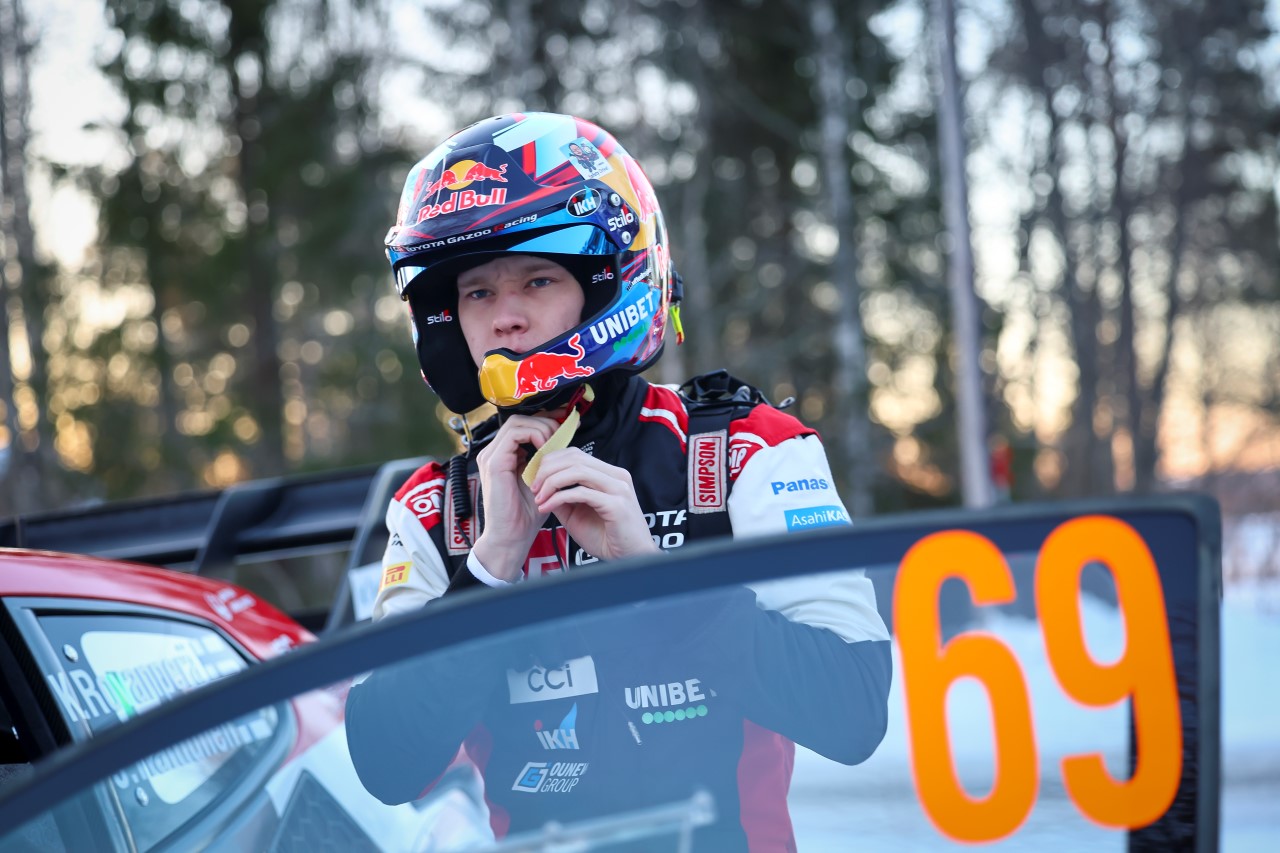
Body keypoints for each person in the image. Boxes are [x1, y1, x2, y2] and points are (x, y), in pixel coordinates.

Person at [345, 112, 891, 851]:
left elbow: (854, 713)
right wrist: (489, 569)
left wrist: (656, 578)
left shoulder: (746, 450)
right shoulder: (438, 510)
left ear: (606, 285)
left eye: (538, 279)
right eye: (477, 293)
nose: (506, 319)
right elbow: (386, 764)